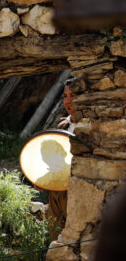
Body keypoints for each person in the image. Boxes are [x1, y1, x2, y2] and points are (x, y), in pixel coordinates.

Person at [45, 78, 76, 232]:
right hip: (57, 190)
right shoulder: (63, 125)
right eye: (65, 96)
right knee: (55, 232)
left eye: (73, 96)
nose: (68, 101)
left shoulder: (90, 125)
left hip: (75, 192)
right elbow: (56, 160)